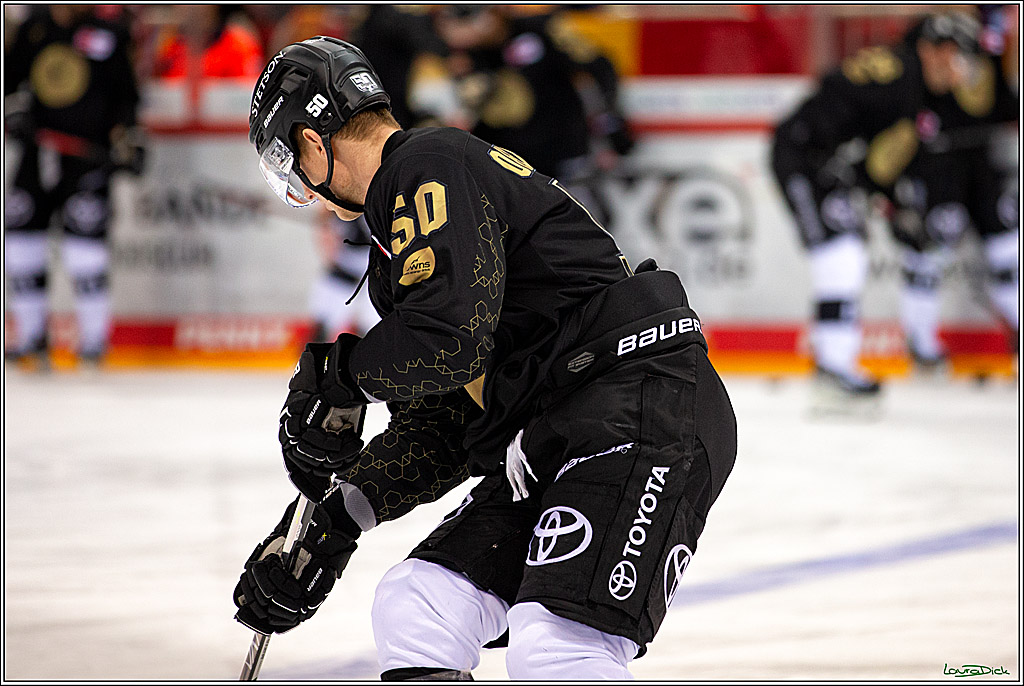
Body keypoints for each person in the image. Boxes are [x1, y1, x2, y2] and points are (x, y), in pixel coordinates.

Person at [234, 37, 737, 679]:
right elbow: (446, 420)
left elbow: (450, 340)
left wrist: (340, 378)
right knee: (418, 604)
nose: (304, 193)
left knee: (557, 646)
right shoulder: (408, 226)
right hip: (564, 427)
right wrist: (335, 518)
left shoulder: (428, 165)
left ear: (311, 142)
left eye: (288, 168)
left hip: (639, 405)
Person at [770, 11, 988, 407]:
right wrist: (839, 158)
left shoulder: (915, 85)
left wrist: (889, 202)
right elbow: (838, 90)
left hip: (816, 161)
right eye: (959, 58)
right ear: (934, 50)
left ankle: (833, 363)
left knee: (846, 257)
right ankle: (832, 369)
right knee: (840, 257)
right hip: (803, 157)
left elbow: (875, 159)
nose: (963, 72)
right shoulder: (902, 75)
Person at [4, 4, 144, 368]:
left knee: (85, 251)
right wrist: (12, 112)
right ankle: (30, 336)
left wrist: (130, 139)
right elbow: (10, 82)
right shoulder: (32, 29)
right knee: (20, 242)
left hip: (88, 160)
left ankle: (93, 342)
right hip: (36, 154)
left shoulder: (109, 34)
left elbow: (126, 97)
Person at [883, 11, 1018, 366]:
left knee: (1008, 248)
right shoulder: (922, 31)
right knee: (928, 252)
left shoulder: (989, 33)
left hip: (981, 161)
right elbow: (902, 90)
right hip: (936, 166)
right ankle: (921, 342)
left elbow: (1001, 102)